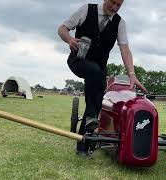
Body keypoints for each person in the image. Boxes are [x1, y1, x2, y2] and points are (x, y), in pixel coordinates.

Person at [58, 0, 147, 155]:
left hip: (100, 69)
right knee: (93, 73)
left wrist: (132, 74)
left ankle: (83, 147)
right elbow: (62, 29)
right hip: (78, 61)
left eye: (119, 5)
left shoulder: (120, 23)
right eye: (112, 2)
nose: (114, 7)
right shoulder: (86, 9)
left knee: (97, 97)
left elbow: (125, 49)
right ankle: (92, 115)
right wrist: (70, 39)